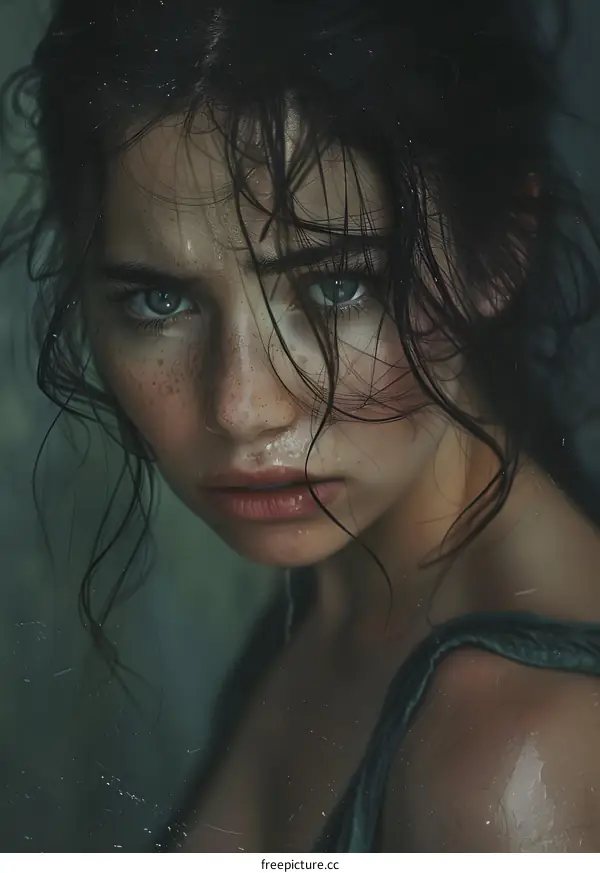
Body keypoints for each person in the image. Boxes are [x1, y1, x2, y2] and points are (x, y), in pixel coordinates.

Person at [3, 0, 600, 853]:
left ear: (499, 249)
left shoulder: (517, 754)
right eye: (159, 299)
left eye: (337, 287)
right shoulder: (346, 593)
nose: (243, 407)